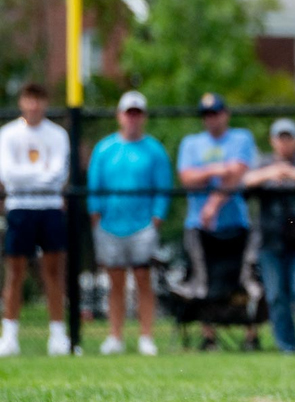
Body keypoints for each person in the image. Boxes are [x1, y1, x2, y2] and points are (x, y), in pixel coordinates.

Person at [87, 91, 172, 356]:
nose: (132, 118)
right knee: (115, 282)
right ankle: (115, 337)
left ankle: (146, 337)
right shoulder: (104, 149)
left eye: (137, 113)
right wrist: (96, 215)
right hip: (110, 225)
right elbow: (94, 186)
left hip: (143, 227)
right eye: (128, 113)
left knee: (143, 279)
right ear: (120, 116)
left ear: (143, 117)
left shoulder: (154, 150)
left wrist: (156, 218)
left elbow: (163, 187)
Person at [176, 92, 261, 351]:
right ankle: (209, 337)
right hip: (199, 226)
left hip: (236, 223)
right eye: (207, 115)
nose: (211, 119)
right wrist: (217, 169)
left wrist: (212, 202)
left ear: (226, 114)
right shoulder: (191, 143)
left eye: (216, 113)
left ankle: (251, 336)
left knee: (244, 280)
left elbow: (236, 174)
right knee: (202, 282)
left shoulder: (241, 138)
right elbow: (187, 178)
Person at [243, 118, 295, 353]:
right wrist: (271, 173)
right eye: (280, 138)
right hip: (270, 245)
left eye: (288, 137)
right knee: (277, 297)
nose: (284, 142)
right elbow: (247, 181)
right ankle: (287, 347)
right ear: (272, 141)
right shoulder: (264, 163)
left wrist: (291, 173)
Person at [0, 83, 70, 357]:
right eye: (29, 99)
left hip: (50, 206)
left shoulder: (57, 135)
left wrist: (27, 175)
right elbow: (7, 174)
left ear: (45, 103)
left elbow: (57, 174)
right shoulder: (7, 134)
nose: (34, 105)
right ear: (22, 102)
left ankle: (57, 336)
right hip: (19, 206)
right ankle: (9, 336)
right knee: (15, 273)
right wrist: (37, 173)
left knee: (53, 273)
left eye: (39, 100)